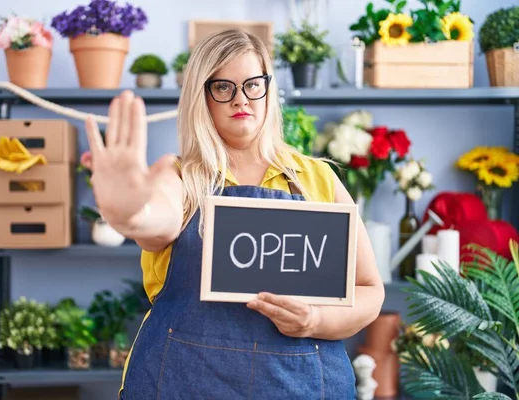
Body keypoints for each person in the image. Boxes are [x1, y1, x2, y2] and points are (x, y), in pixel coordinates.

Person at [83, 28, 385, 400]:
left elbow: (369, 290)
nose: (240, 98)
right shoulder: (180, 176)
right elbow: (153, 222)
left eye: (252, 84)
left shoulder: (317, 179)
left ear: (268, 88)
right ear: (202, 96)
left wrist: (316, 320)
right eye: (223, 87)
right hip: (183, 384)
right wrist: (126, 209)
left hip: (300, 386)